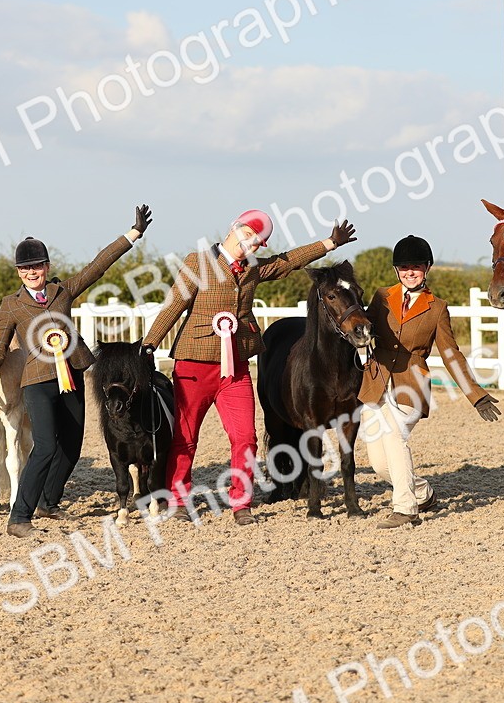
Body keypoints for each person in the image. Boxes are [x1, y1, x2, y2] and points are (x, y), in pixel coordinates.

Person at [140, 210, 358, 526]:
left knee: (246, 437)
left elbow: (288, 261)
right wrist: (149, 344)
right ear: (235, 228)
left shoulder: (253, 269)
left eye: (258, 243)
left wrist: (329, 243)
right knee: (185, 437)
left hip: (236, 367)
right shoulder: (197, 262)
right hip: (194, 363)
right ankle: (177, 498)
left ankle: (241, 503)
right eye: (249, 237)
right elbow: (173, 306)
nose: (252, 246)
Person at [0, 206, 152, 538]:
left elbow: (98, 267)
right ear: (19, 272)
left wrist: (132, 235)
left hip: (72, 375)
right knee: (45, 445)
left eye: (38, 266)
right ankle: (19, 517)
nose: (33, 272)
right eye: (27, 268)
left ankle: (48, 501)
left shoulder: (63, 291)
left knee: (72, 447)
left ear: (47, 267)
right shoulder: (11, 304)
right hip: (37, 382)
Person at [357, 235, 501, 529]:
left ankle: (406, 508)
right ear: (397, 270)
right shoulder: (382, 296)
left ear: (428, 268)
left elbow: (450, 354)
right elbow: (363, 329)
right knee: (380, 463)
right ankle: (422, 493)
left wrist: (475, 394)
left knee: (395, 436)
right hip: (376, 383)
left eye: (417, 267)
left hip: (411, 386)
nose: (410, 272)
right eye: (405, 267)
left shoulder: (437, 308)